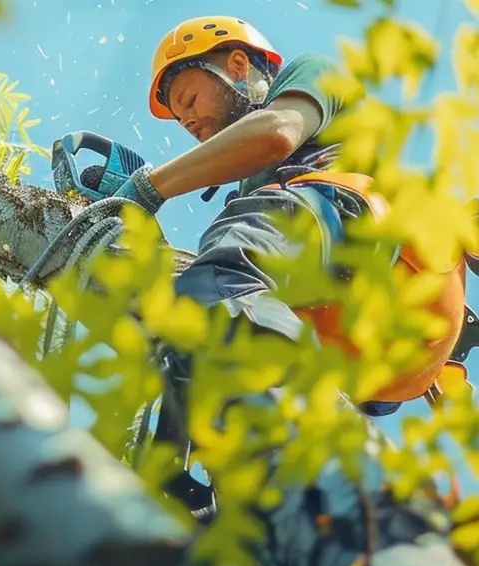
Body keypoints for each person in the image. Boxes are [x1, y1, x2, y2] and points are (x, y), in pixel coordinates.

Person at [102, 15, 467, 422]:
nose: (186, 121)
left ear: (238, 65)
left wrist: (148, 188)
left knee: (226, 268)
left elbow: (277, 132)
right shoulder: (255, 196)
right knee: (195, 322)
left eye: (189, 99)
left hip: (392, 263)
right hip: (374, 360)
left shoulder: (312, 75)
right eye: (179, 118)